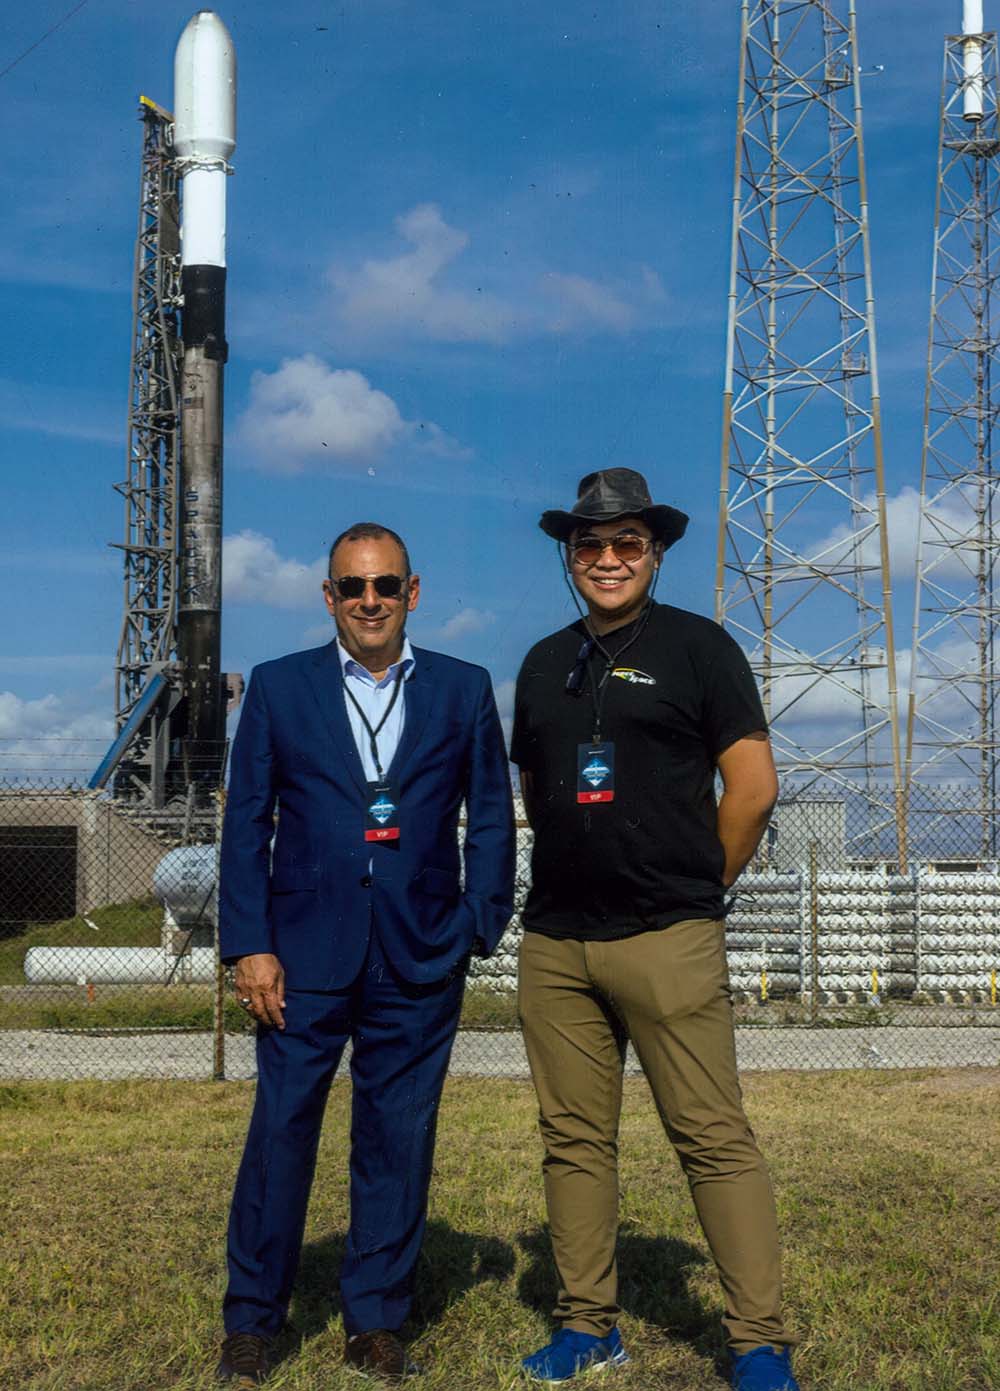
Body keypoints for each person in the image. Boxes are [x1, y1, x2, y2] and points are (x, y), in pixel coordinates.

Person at [510, 470, 799, 1391]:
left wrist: (694, 885)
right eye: (588, 544)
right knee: (574, 1139)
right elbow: (537, 796)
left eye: (626, 542)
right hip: (557, 942)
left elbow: (753, 788)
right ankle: (587, 1324)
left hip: (668, 935)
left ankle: (758, 1342)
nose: (606, 559)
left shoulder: (700, 649)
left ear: (656, 551)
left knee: (712, 1137)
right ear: (568, 554)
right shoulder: (539, 663)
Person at [216, 521, 515, 1386]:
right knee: (281, 1133)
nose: (371, 601)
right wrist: (250, 945)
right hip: (301, 959)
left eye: (386, 586)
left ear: (412, 593)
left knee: (399, 1138)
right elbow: (246, 826)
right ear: (330, 597)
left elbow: (491, 814)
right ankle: (253, 1319)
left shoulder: (462, 690)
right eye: (353, 587)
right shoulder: (279, 688)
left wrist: (477, 923)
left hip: (421, 956)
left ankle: (375, 1319)